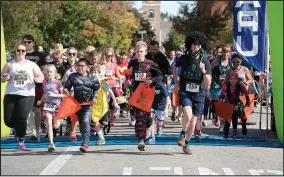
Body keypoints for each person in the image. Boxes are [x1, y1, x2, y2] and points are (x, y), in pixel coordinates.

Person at [173, 31, 212, 154]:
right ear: (190, 45)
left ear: (202, 46)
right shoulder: (184, 58)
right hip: (186, 91)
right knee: (188, 115)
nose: (196, 46)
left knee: (194, 122)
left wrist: (204, 71)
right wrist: (176, 83)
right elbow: (174, 66)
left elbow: (208, 83)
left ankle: (187, 144)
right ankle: (182, 133)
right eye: (194, 44)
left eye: (199, 45)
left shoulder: (205, 61)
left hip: (199, 93)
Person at [1, 43, 44, 150]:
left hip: (27, 94)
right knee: (8, 120)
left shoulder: (32, 65)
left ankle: (21, 141)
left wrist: (36, 79)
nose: (20, 52)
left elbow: (41, 77)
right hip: (11, 93)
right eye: (18, 50)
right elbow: (2, 78)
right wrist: (5, 77)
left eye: (23, 51)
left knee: (22, 117)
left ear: (26, 53)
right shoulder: (10, 64)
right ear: (15, 51)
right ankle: (18, 128)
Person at [126, 41, 163, 151]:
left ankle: (149, 123)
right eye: (137, 52)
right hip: (136, 93)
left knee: (146, 116)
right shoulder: (132, 63)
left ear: (145, 52)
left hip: (148, 93)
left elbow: (160, 76)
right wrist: (128, 83)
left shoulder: (150, 63)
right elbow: (129, 76)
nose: (139, 53)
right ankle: (140, 139)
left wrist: (151, 81)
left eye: (141, 51)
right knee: (139, 116)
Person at [64, 58, 100, 153]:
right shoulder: (73, 76)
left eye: (82, 66)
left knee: (85, 121)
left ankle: (85, 143)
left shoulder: (93, 78)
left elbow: (96, 89)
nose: (80, 67)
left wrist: (95, 98)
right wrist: (68, 95)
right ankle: (84, 139)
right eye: (78, 65)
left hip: (88, 104)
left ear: (87, 67)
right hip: (76, 104)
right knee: (81, 123)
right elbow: (66, 87)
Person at [37, 65, 64, 151]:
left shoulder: (58, 83)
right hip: (48, 104)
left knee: (56, 126)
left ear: (55, 73)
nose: (49, 73)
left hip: (57, 105)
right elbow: (44, 94)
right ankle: (51, 143)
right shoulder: (45, 83)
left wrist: (54, 95)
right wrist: (41, 101)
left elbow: (63, 95)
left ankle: (60, 121)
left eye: (51, 72)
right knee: (49, 123)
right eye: (48, 72)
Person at [219, 72, 250, 140]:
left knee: (241, 115)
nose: (233, 81)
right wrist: (221, 98)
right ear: (229, 80)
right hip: (228, 102)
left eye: (235, 79)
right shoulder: (225, 85)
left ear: (237, 80)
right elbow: (222, 93)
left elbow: (245, 92)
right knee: (227, 119)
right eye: (231, 79)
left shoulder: (240, 85)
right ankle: (225, 134)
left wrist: (248, 100)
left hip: (237, 102)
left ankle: (242, 126)